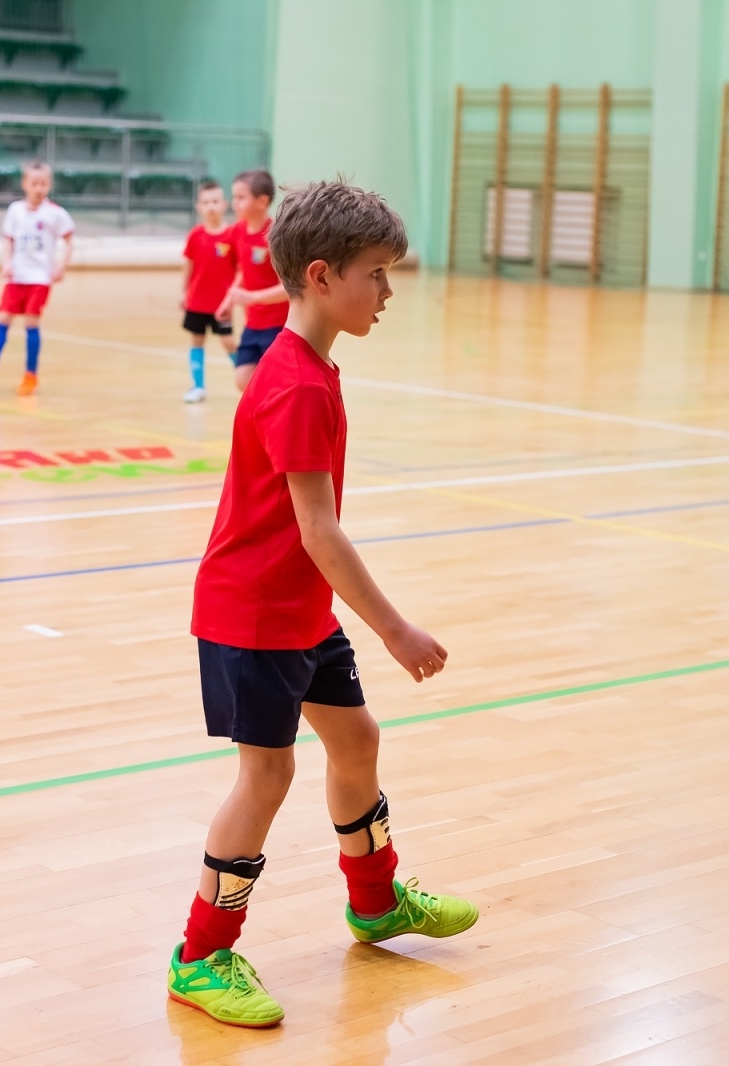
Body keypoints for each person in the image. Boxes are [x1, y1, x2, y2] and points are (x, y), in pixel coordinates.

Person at [167, 181, 478, 1029]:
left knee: (356, 737)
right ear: (319, 275)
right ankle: (199, 956)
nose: (386, 292)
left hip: (297, 608)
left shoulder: (310, 367)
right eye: (376, 274)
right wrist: (396, 629)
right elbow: (320, 532)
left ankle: (375, 903)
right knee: (267, 774)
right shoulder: (297, 384)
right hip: (257, 612)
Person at [0, 162, 74, 397]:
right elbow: (8, 240)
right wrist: (6, 262)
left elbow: (69, 240)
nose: (39, 188)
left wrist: (61, 266)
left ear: (49, 185)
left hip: (39, 278)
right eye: (34, 183)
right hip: (16, 275)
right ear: (25, 185)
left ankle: (30, 375)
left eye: (44, 184)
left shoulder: (55, 213)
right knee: (3, 318)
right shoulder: (15, 210)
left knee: (31, 322)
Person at [214, 169, 287, 392]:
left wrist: (253, 297)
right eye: (233, 197)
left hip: (279, 326)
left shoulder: (277, 236)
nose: (234, 203)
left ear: (262, 201)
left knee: (274, 383)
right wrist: (228, 301)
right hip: (253, 325)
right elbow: (243, 271)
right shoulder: (238, 231)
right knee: (243, 380)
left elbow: (291, 286)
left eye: (241, 197)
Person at [180, 180, 239, 404]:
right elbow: (188, 265)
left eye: (215, 201)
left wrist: (234, 296)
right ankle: (198, 387)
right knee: (197, 340)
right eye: (206, 202)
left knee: (228, 342)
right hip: (197, 301)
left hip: (222, 304)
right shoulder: (195, 235)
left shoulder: (232, 235)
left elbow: (240, 268)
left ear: (224, 204)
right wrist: (184, 292)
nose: (211, 206)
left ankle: (250, 380)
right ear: (199, 207)